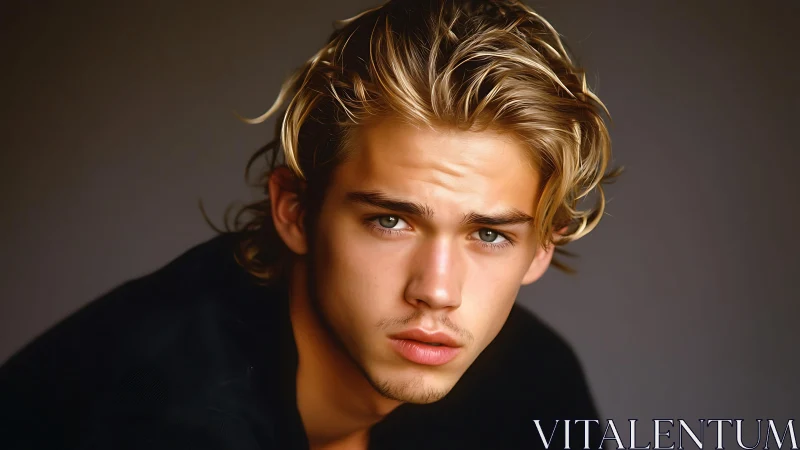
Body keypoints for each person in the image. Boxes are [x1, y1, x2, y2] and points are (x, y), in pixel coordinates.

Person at [0, 0, 621, 448]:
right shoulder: (162, 412)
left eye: (489, 235)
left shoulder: (530, 382)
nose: (436, 290)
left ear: (541, 249)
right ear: (295, 212)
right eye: (390, 221)